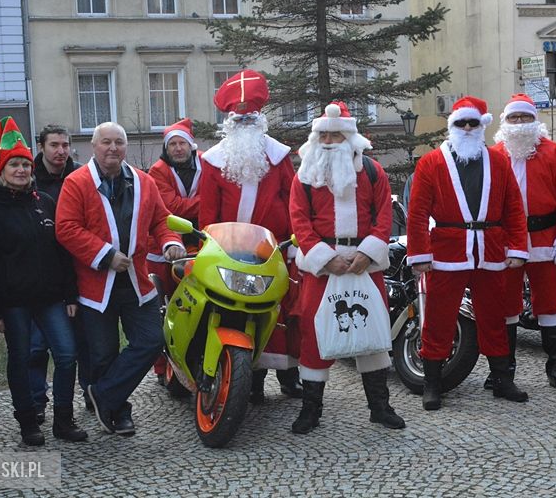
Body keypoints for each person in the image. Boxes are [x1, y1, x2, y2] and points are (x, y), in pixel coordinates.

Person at [55, 121, 185, 436]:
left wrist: (171, 242)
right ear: (93, 146)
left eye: (119, 142)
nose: (113, 148)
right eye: (106, 142)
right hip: (95, 285)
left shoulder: (143, 181)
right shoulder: (76, 182)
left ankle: (102, 395)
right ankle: (118, 411)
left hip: (137, 281)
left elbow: (161, 220)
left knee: (152, 341)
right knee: (103, 353)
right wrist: (106, 255)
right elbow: (66, 227)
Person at [406, 96, 529, 411]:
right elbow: (417, 213)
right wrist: (420, 254)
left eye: (474, 122)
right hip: (447, 251)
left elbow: (514, 209)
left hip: (490, 250)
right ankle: (433, 382)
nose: (468, 127)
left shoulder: (498, 162)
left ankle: (502, 378)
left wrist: (517, 248)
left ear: (482, 125)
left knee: (494, 317)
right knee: (438, 318)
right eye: (462, 123)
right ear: (452, 126)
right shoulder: (431, 162)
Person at [289, 101, 404, 434]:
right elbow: (299, 219)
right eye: (324, 136)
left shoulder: (373, 171)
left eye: (336, 135)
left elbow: (383, 215)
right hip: (322, 266)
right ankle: (311, 409)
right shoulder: (305, 175)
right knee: (314, 333)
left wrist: (367, 253)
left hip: (364, 265)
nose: (329, 142)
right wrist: (326, 257)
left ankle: (380, 407)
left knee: (371, 330)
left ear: (350, 137)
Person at [0, 117, 87, 446]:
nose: (21, 170)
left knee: (66, 355)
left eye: (25, 164)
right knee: (22, 359)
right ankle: (27, 421)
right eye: (14, 165)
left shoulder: (45, 203)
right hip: (14, 303)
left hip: (51, 298)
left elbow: (62, 252)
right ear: (1, 170)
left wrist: (71, 295)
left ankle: (63, 419)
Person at [200, 69, 302, 403]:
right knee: (241, 313)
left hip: (275, 249)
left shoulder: (278, 156)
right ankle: (250, 381)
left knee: (282, 312)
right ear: (230, 123)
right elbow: (208, 215)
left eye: (251, 119)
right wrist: (208, 247)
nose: (245, 124)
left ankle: (289, 377)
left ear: (260, 121)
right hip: (230, 253)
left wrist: (294, 243)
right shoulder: (214, 162)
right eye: (239, 120)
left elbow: (293, 200)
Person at [489, 94, 556, 390]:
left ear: (534, 120)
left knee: (551, 303)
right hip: (507, 241)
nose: (519, 123)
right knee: (504, 303)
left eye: (525, 117)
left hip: (546, 239)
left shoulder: (555, 154)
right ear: (504, 121)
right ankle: (502, 370)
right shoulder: (494, 155)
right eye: (513, 118)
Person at [27, 125, 88, 423]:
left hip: (78, 267)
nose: (61, 151)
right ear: (41, 147)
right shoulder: (27, 177)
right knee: (37, 346)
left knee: (81, 343)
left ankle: (90, 393)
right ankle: (37, 401)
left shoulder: (80, 176)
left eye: (65, 145)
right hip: (40, 274)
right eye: (54, 145)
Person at [146, 118, 203, 385]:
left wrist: (190, 204)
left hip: (202, 244)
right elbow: (172, 208)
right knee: (161, 307)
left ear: (191, 146)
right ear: (166, 148)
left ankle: (195, 359)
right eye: (173, 145)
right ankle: (162, 369)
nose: (178, 149)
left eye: (182, 143)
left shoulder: (206, 163)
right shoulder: (157, 171)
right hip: (163, 249)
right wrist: (207, 201)